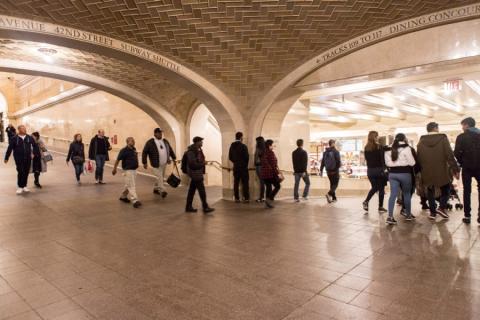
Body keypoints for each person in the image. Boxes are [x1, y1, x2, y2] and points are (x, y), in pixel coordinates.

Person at [417, 122, 459, 220]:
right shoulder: (443, 138)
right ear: (435, 128)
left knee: (430, 191)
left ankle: (432, 213)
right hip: (442, 170)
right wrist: (455, 169)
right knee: (446, 189)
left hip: (427, 171)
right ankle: (442, 207)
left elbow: (418, 157)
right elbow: (449, 155)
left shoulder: (421, 140)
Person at [384, 133, 416, 224]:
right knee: (406, 194)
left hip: (392, 174)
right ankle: (408, 215)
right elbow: (412, 163)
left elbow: (387, 163)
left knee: (393, 195)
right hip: (405, 173)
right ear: (404, 138)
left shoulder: (387, 148)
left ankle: (390, 217)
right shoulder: (407, 148)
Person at [454, 117, 480, 224]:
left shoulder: (461, 137)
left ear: (467, 125)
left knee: (467, 191)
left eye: (463, 125)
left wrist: (462, 162)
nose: (462, 128)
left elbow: (456, 153)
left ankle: (467, 216)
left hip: (467, 168)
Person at [142, 128, 176, 198]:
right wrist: (144, 162)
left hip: (164, 163)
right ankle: (162, 190)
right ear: (155, 134)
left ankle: (156, 189)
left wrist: (173, 158)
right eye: (158, 133)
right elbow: (144, 152)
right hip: (155, 164)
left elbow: (170, 149)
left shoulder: (165, 141)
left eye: (161, 133)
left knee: (160, 177)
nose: (160, 134)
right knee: (160, 177)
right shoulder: (150, 142)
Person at [185, 136, 215, 214]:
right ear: (197, 142)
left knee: (191, 191)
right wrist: (203, 164)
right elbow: (192, 164)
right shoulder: (191, 151)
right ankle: (205, 207)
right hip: (195, 173)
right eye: (201, 141)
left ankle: (188, 207)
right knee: (202, 191)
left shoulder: (198, 150)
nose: (202, 143)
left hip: (197, 173)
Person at [4, 125, 34, 194]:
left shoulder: (29, 137)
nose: (25, 130)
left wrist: (34, 153)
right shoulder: (14, 138)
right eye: (23, 129)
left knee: (26, 172)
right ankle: (20, 186)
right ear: (19, 130)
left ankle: (24, 186)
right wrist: (6, 157)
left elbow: (35, 146)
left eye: (25, 129)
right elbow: (10, 148)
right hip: (18, 158)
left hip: (28, 158)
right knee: (21, 171)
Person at [112, 137, 142, 208]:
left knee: (128, 184)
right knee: (131, 185)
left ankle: (123, 196)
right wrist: (114, 168)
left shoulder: (134, 149)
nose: (133, 142)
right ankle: (135, 200)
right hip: (128, 170)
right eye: (132, 141)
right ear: (127, 142)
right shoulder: (124, 150)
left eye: (134, 140)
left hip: (134, 170)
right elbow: (118, 159)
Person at [363, 131, 387, 213]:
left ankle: (368, 202)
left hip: (370, 171)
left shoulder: (366, 147)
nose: (378, 138)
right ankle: (378, 206)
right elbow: (383, 158)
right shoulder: (379, 147)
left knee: (375, 188)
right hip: (379, 170)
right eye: (377, 136)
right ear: (375, 137)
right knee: (380, 189)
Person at [229, 132, 250, 203]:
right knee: (245, 183)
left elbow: (230, 157)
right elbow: (247, 157)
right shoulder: (243, 146)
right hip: (243, 167)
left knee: (236, 183)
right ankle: (246, 198)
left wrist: (235, 162)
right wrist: (245, 164)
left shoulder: (232, 146)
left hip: (236, 167)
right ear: (241, 137)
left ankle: (237, 198)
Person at [260, 139, 281, 208]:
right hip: (270, 173)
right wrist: (277, 173)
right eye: (272, 145)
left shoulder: (263, 152)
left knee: (268, 187)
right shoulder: (270, 153)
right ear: (269, 145)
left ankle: (267, 202)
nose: (273, 146)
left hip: (264, 173)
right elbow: (273, 164)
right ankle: (269, 199)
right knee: (277, 186)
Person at [254, 136, 266, 202]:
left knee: (262, 182)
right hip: (264, 167)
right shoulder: (265, 148)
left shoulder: (258, 149)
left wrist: (255, 164)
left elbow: (256, 160)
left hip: (259, 167)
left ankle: (261, 197)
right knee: (264, 182)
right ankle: (263, 197)